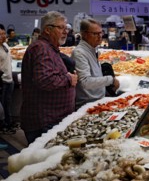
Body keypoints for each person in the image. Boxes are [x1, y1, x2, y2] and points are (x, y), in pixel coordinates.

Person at [20, 11, 78, 144]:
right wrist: (69, 79)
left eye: (66, 28)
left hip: (52, 119)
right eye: (61, 28)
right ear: (47, 30)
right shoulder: (41, 48)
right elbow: (45, 80)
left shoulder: (49, 48)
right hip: (44, 121)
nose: (65, 32)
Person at [71, 18, 120, 109]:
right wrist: (111, 80)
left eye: (101, 33)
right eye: (95, 33)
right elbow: (85, 82)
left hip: (98, 101)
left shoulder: (92, 49)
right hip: (88, 105)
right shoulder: (79, 52)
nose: (100, 36)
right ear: (84, 34)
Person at [0, 23, 16, 134]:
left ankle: (9, 123)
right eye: (0, 34)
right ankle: (3, 126)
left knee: (8, 103)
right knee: (1, 107)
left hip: (9, 80)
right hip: (1, 82)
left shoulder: (5, 45)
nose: (3, 36)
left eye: (3, 33)